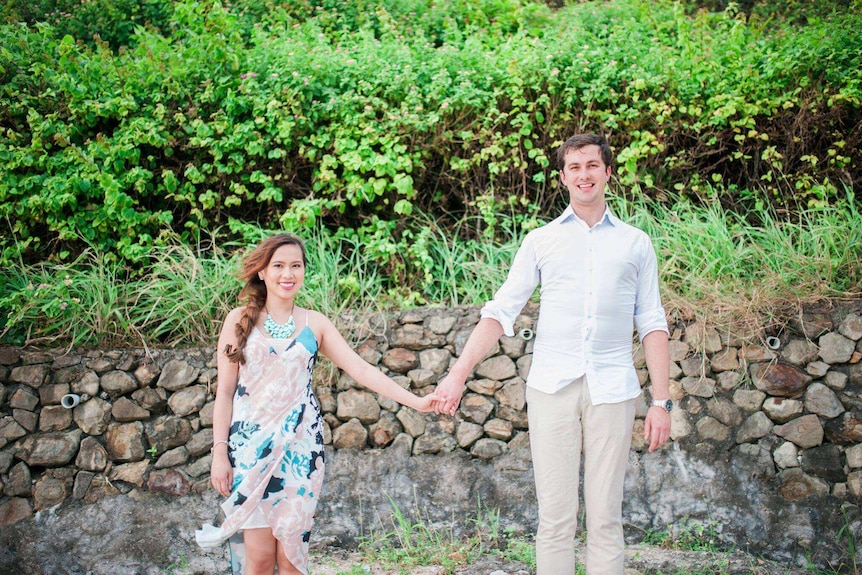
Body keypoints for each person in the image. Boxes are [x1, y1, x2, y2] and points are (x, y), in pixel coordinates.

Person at [435, 133, 672, 575]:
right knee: (556, 518)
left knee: (606, 517)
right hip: (551, 388)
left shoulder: (636, 243)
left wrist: (661, 403)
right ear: (563, 177)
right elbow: (500, 310)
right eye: (575, 168)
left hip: (613, 389)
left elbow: (652, 321)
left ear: (607, 173)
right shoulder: (540, 241)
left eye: (592, 165)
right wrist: (458, 373)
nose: (584, 175)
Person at [196, 233, 441, 575]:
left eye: (296, 266)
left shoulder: (315, 324)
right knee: (261, 559)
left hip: (301, 453)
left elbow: (361, 369)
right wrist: (219, 453)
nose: (288, 274)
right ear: (262, 272)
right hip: (249, 451)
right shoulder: (239, 320)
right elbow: (225, 392)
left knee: (293, 560)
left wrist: (416, 401)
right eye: (278, 265)